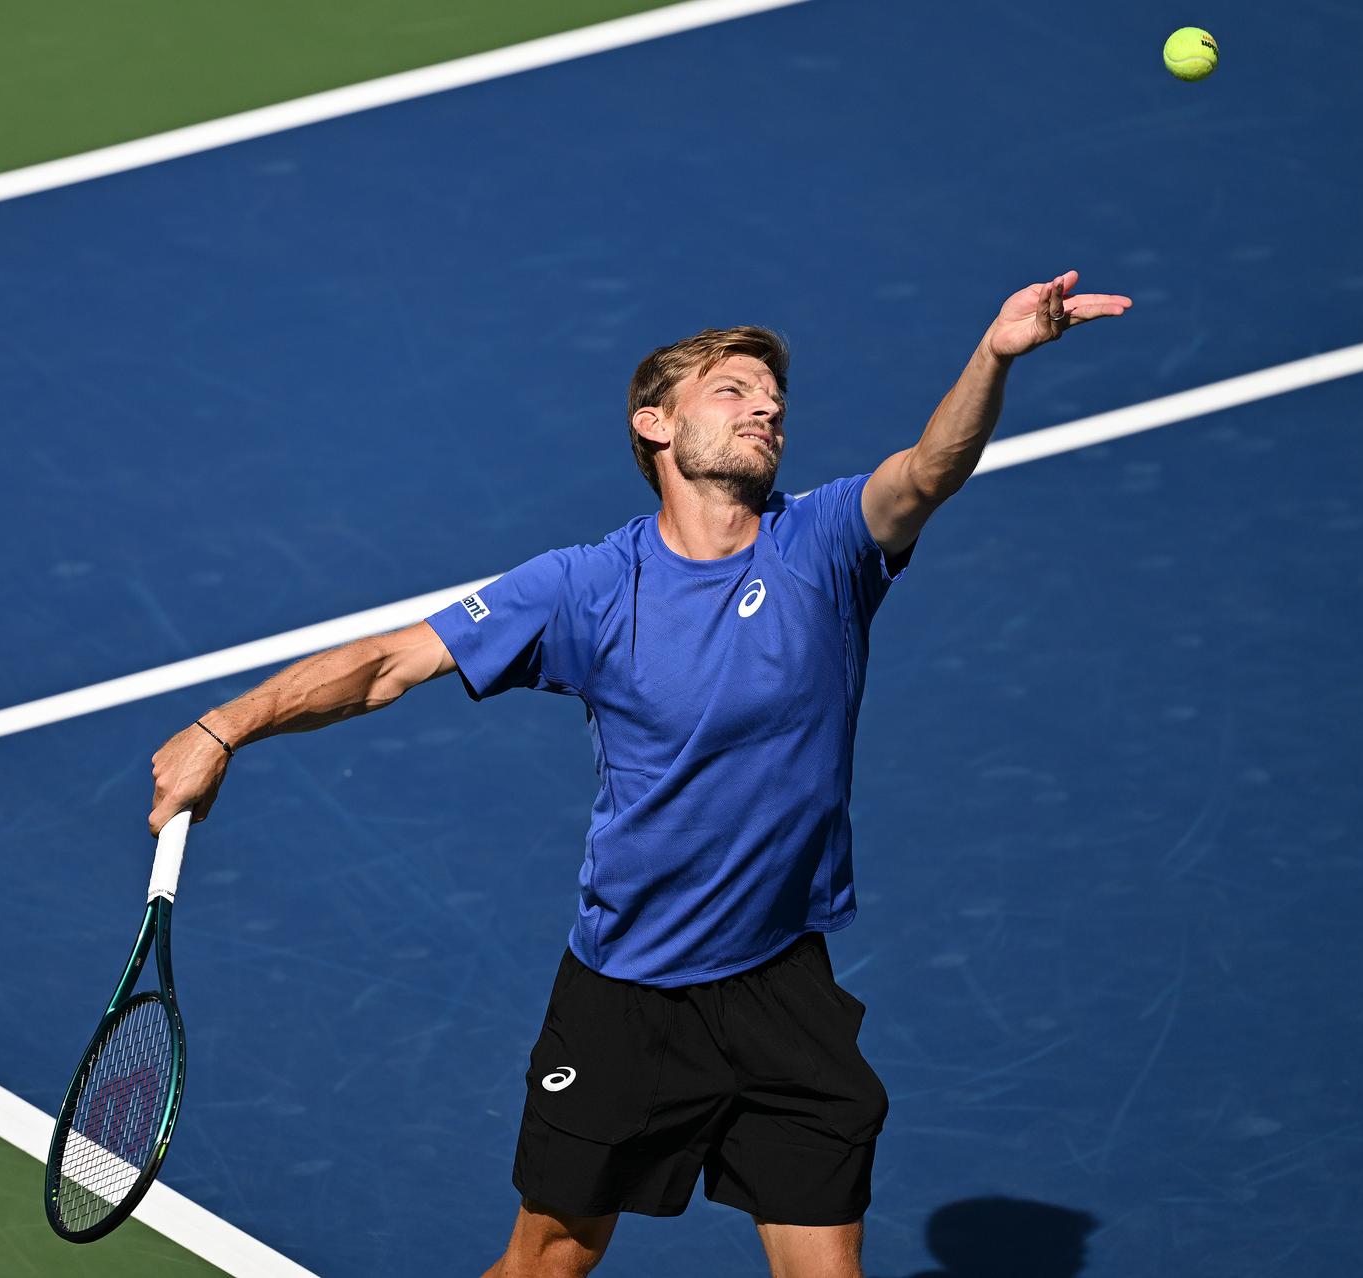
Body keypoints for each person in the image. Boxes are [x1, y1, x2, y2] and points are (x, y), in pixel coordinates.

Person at [149, 271, 1130, 1277]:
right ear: (653, 425)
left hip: (781, 983)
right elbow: (390, 663)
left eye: (773, 399)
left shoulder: (824, 545)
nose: (766, 408)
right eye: (733, 391)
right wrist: (223, 728)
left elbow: (928, 471)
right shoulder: (583, 587)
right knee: (548, 1264)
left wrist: (996, 354)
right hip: (628, 997)